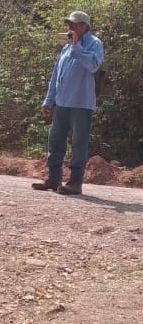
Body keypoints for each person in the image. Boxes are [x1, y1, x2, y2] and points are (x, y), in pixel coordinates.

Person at [32, 11, 104, 195]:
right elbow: (56, 74)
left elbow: (93, 65)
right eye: (69, 24)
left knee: (79, 143)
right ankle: (54, 179)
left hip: (81, 103)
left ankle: (75, 183)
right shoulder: (66, 47)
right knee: (55, 141)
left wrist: (77, 46)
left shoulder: (94, 44)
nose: (69, 27)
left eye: (74, 24)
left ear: (84, 26)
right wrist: (49, 100)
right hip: (62, 102)